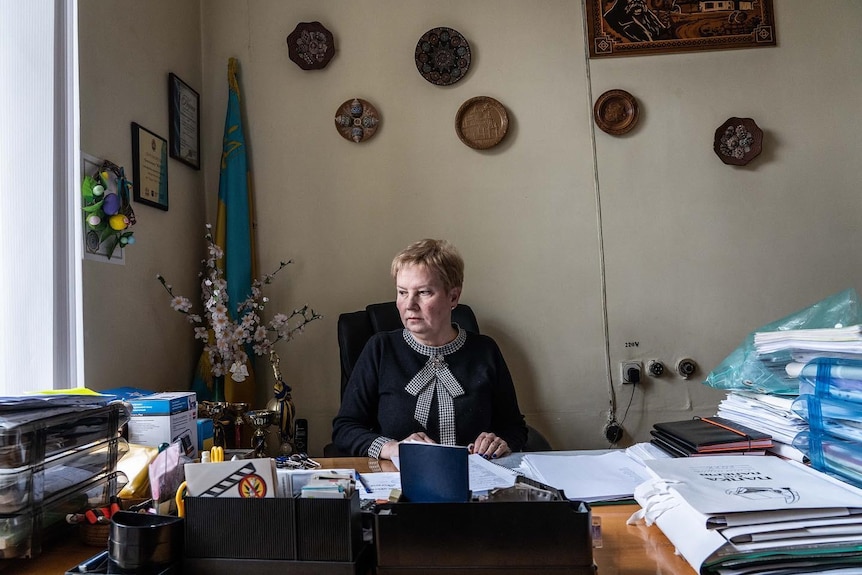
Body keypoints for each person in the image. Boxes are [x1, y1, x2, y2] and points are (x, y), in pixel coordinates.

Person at [332, 239, 528, 460]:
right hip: (399, 484)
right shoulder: (380, 349)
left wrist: (500, 442)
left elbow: (515, 428)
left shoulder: (485, 351)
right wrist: (393, 448)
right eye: (402, 292)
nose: (409, 304)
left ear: (453, 296)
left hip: (475, 482)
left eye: (423, 292)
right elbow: (345, 428)